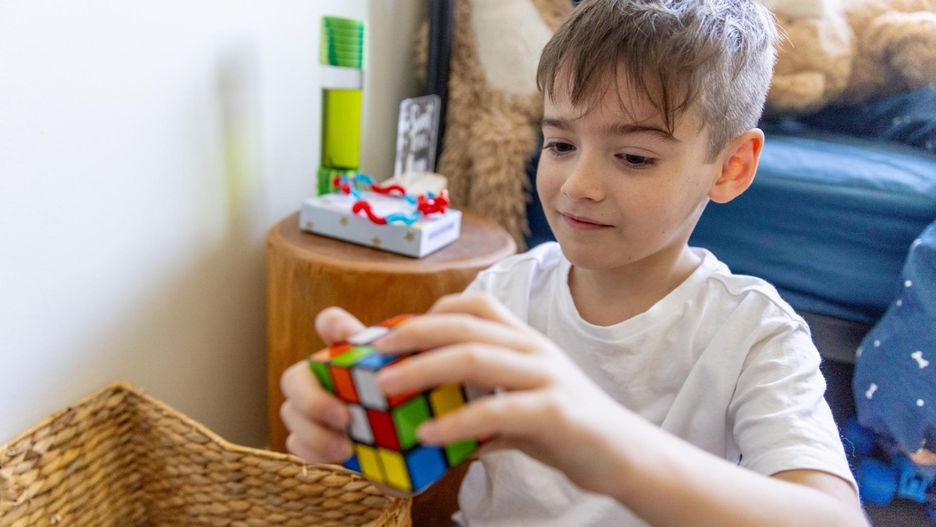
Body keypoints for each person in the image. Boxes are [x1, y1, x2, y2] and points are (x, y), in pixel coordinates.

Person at [280, 1, 870, 525]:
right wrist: (355, 428)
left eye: (634, 157)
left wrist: (605, 442)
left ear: (731, 166)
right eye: (561, 144)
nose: (577, 185)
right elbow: (417, 465)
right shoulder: (503, 294)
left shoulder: (755, 333)